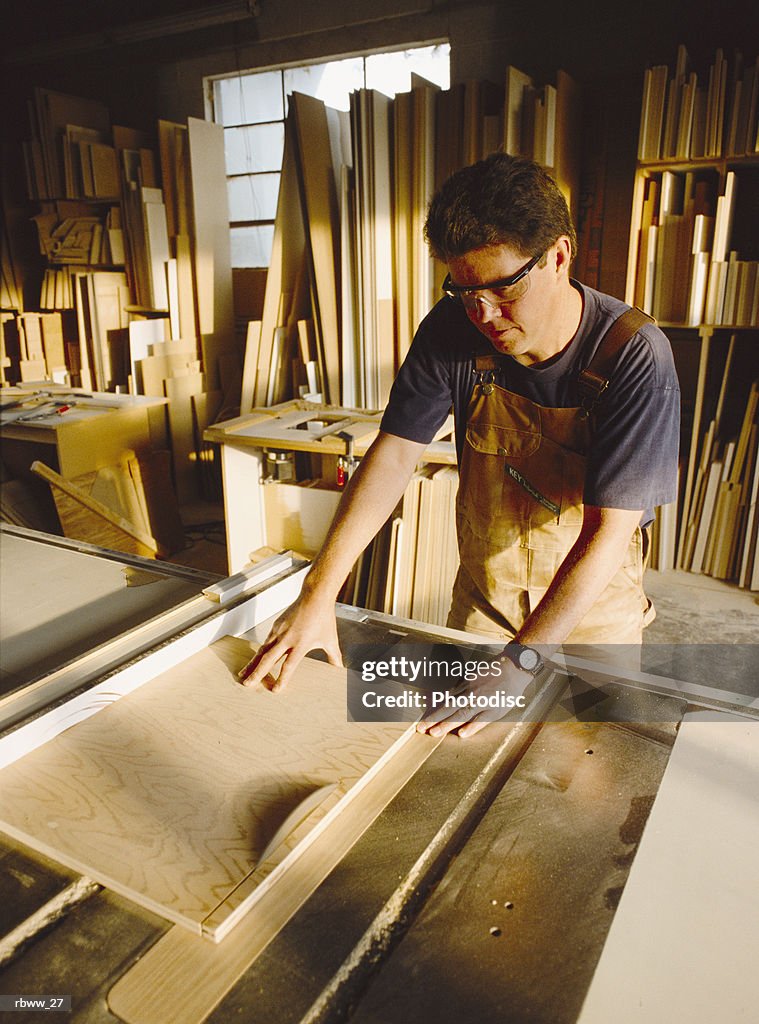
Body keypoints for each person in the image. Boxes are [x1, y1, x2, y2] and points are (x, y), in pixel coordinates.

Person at [239, 153, 680, 737]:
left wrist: (523, 662)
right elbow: (393, 455)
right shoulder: (451, 328)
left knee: (585, 775)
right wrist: (319, 590)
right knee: (454, 754)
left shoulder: (632, 356)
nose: (483, 314)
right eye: (464, 289)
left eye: (502, 289)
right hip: (484, 602)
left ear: (559, 256)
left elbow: (608, 532)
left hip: (592, 616)